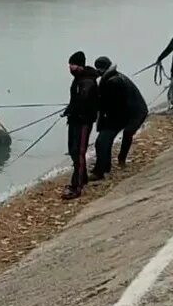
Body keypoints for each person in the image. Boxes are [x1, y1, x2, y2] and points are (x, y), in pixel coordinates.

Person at [92, 57, 148, 178]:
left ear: (102, 69)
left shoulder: (113, 82)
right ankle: (106, 166)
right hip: (126, 111)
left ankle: (102, 170)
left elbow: (111, 105)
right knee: (105, 139)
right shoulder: (113, 77)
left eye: (98, 69)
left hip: (135, 112)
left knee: (103, 141)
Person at [62, 51, 100, 200]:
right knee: (72, 151)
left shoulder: (88, 81)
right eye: (69, 65)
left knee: (79, 152)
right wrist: (68, 110)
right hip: (74, 120)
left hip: (84, 122)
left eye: (72, 65)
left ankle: (77, 187)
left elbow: (83, 100)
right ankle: (82, 177)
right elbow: (75, 100)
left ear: (79, 65)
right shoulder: (78, 79)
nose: (70, 67)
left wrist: (72, 109)